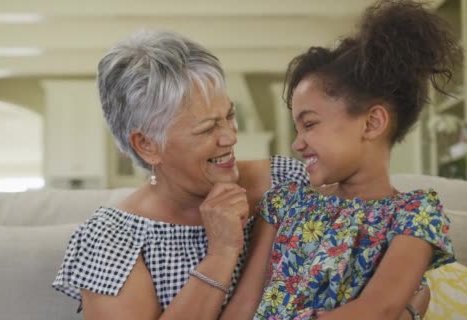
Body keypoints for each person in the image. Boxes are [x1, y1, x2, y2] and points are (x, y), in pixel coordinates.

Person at [52, 29, 431, 320]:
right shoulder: (110, 239)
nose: (230, 137)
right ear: (148, 145)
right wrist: (222, 252)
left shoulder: (289, 184)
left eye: (230, 116)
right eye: (206, 129)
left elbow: (375, 254)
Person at [222, 1, 459, 319]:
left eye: (310, 124)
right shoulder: (285, 202)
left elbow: (379, 309)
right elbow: (243, 305)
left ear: (371, 123)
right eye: (296, 128)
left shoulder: (414, 214)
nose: (297, 143)